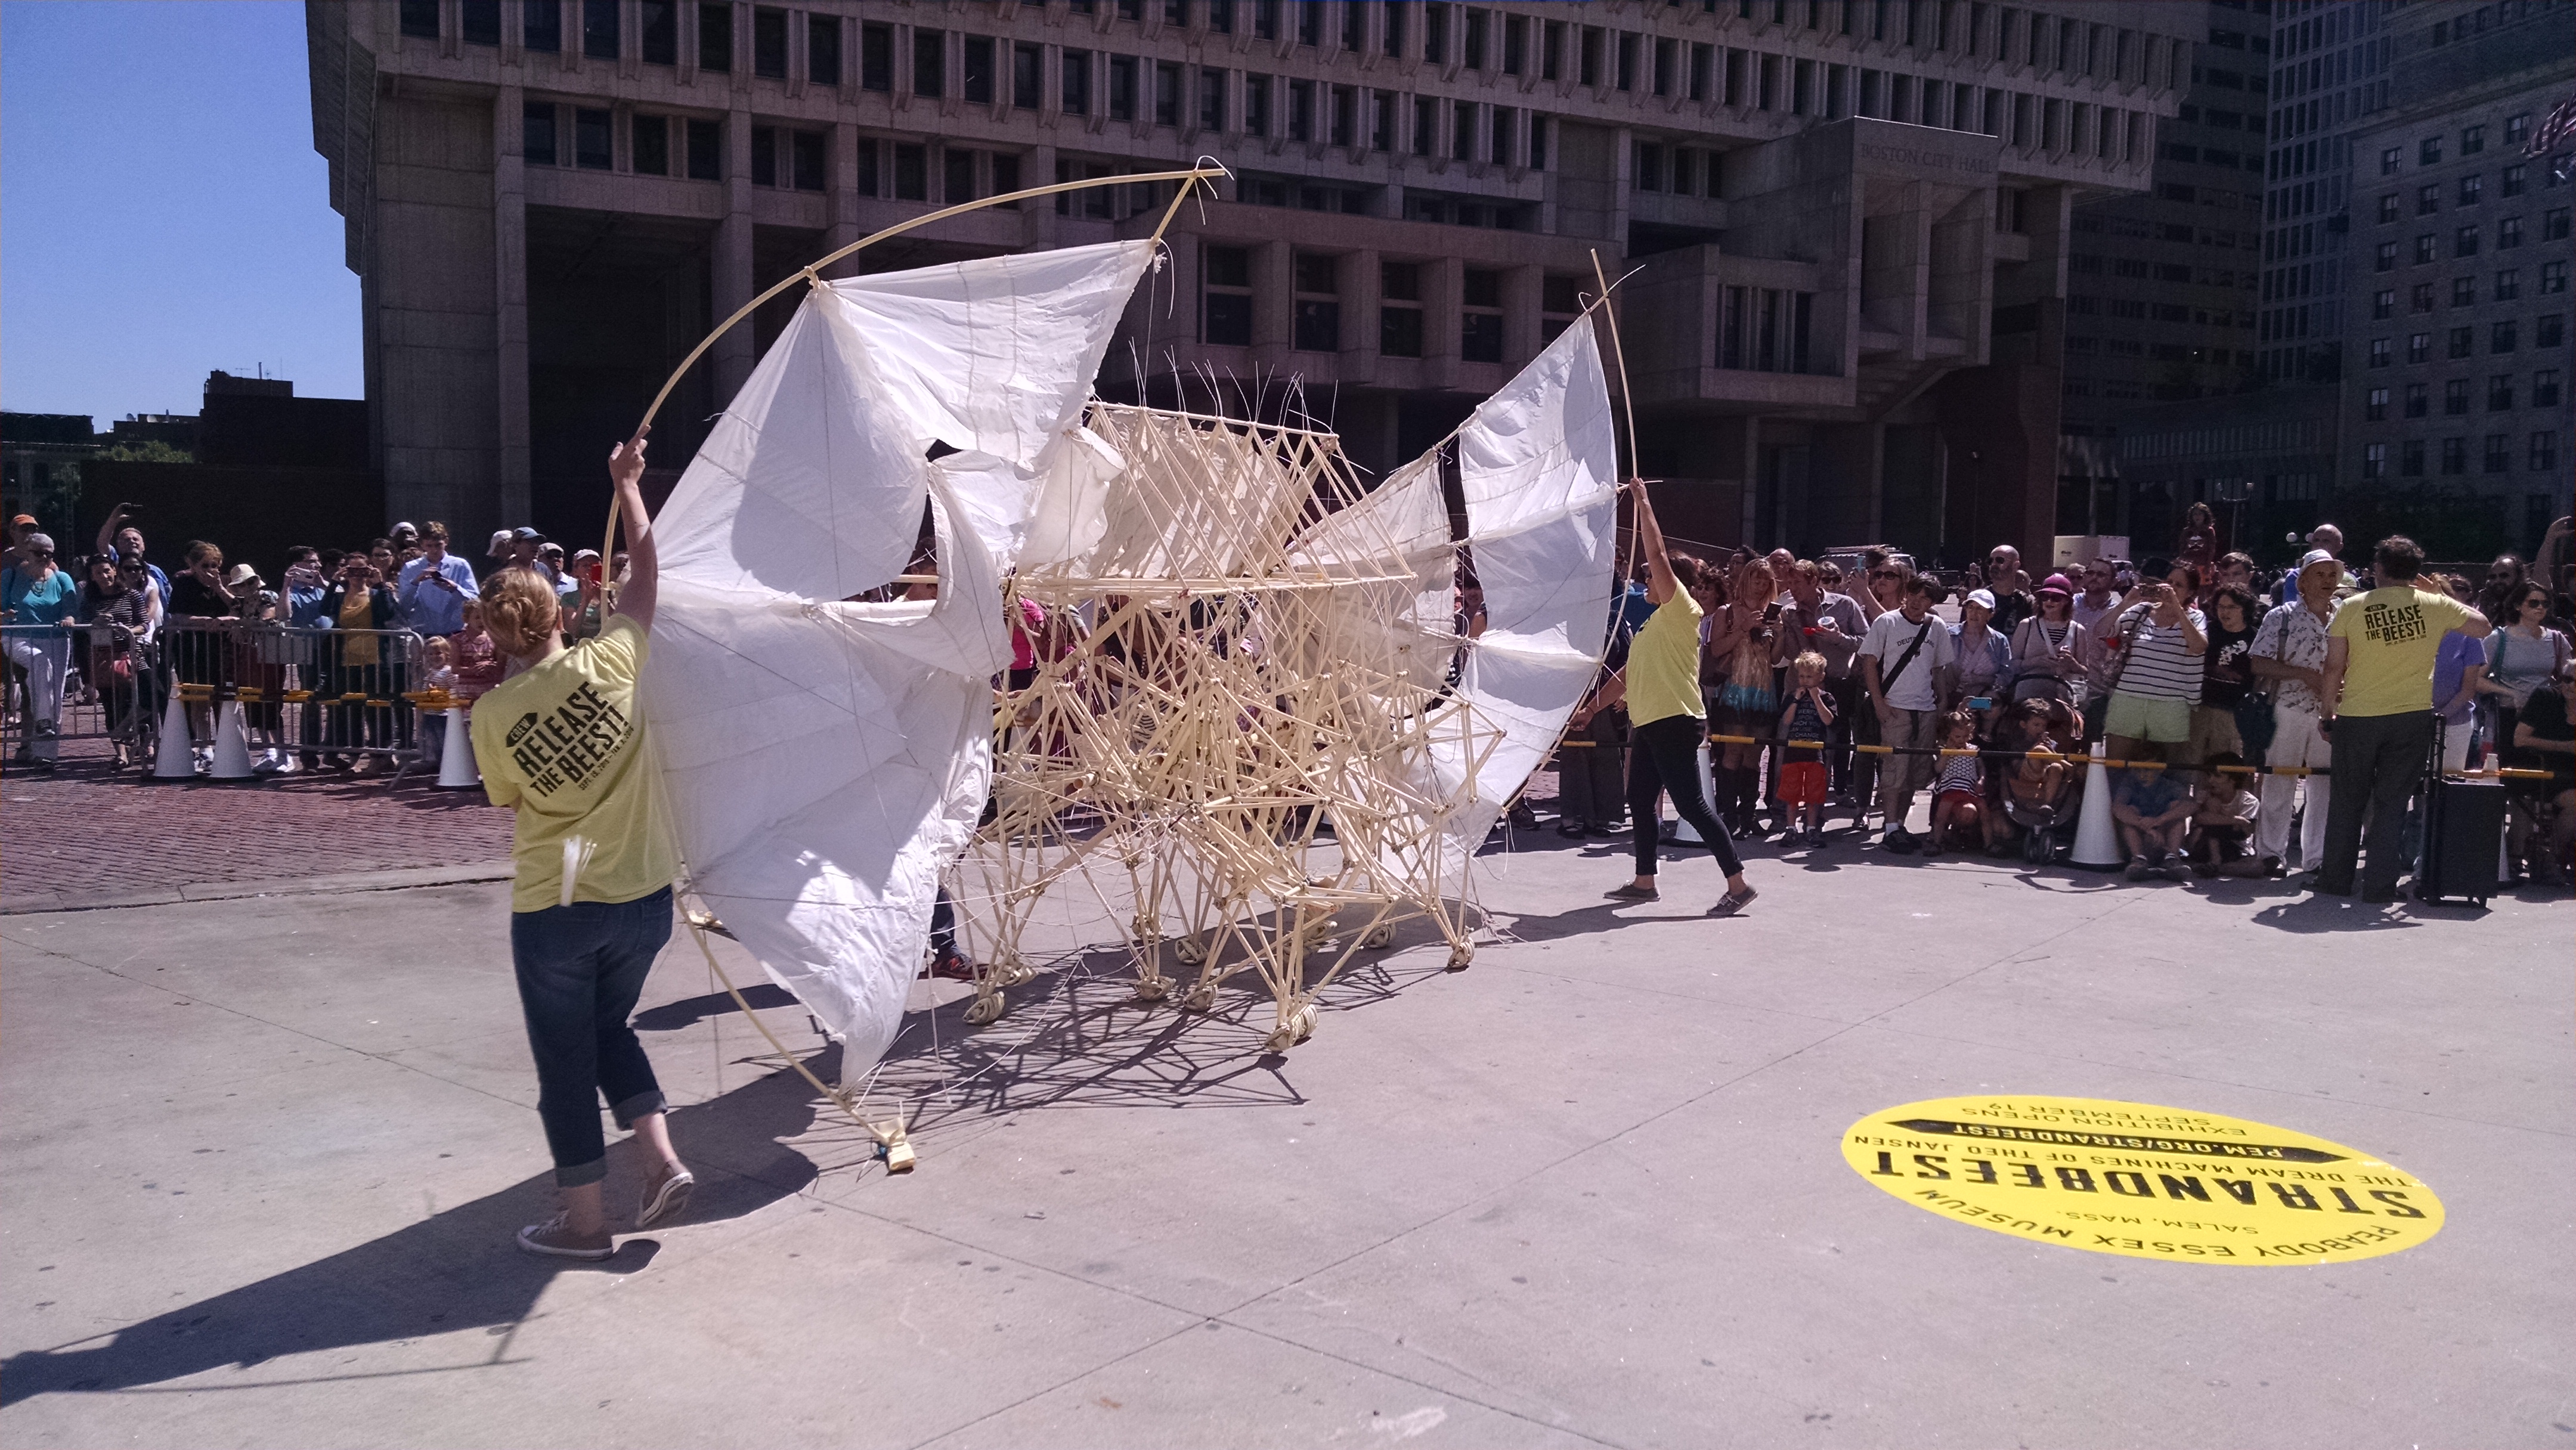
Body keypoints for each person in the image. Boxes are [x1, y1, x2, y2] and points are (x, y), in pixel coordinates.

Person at [470, 427, 692, 1260]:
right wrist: (626, 484)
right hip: (642, 896)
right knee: (610, 1031)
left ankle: (586, 1224)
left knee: (565, 1064)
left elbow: (511, 797)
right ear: (562, 614)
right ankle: (661, 1159)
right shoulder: (615, 661)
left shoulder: (492, 716)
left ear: (497, 635)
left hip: (557, 904)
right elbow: (647, 571)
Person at [1588, 479, 1757, 916]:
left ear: (1672, 583)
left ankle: (1738, 884)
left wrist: (1643, 504)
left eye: (1649, 575)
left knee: (1692, 805)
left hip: (1675, 720)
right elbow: (1626, 675)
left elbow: (1659, 554)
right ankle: (1645, 881)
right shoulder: (1654, 624)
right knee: (1641, 801)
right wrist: (1593, 708)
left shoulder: (1683, 609)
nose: (1645, 577)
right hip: (1652, 721)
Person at [2313, 535, 2492, 901]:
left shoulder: (2352, 606)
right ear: (2416, 572)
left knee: (2347, 801)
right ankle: (2379, 887)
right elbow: (2484, 626)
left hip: (2359, 715)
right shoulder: (2434, 605)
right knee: (2392, 804)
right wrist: (2438, 597)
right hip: (2410, 717)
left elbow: (2333, 667)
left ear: (2378, 569)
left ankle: (2335, 881)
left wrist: (2327, 711)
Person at [2249, 549, 2344, 877]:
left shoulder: (2345, 615)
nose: (2328, 581)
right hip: (2287, 707)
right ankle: (2271, 853)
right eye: (2319, 574)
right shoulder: (2281, 616)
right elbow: (2257, 662)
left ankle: (2316, 857)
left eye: (2332, 574)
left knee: (2324, 786)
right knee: (2278, 783)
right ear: (2302, 582)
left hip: (2330, 712)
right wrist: (2304, 675)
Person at [1858, 573, 1956, 850]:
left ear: (1932, 602)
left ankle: (1900, 825)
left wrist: (1943, 702)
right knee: (1893, 769)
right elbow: (1869, 662)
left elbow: (1939, 668)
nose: (1917, 602)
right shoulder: (1887, 622)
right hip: (1895, 706)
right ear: (1906, 594)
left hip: (1925, 707)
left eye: (1924, 598)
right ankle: (1889, 828)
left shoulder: (1936, 627)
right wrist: (1879, 703)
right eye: (1914, 595)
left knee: (1915, 771)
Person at [1778, 562, 1868, 812]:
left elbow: (1866, 640)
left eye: (1798, 583)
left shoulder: (1843, 605)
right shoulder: (1789, 612)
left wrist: (1838, 639)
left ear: (1813, 581)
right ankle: (1785, 804)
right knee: (1793, 743)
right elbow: (1788, 655)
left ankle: (1835, 793)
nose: (1792, 588)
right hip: (1800, 686)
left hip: (1837, 684)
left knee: (1836, 743)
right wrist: (1783, 631)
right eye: (1790, 583)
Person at [2098, 563, 2207, 769]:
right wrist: (2125, 604)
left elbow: (2198, 646)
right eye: (2169, 582)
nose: (2172, 588)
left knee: (2169, 768)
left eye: (2179, 586)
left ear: (2191, 592)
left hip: (2171, 703)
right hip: (2129, 698)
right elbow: (2101, 631)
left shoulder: (2195, 617)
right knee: (2115, 765)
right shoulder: (2142, 611)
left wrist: (2177, 607)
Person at [1704, 556, 1779, 837]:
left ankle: (1749, 814)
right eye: (1756, 578)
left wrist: (1780, 634)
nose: (1760, 585)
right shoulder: (1728, 611)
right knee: (1732, 751)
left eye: (1765, 580)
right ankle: (1728, 813)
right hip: (1735, 688)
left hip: (1762, 688)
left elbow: (1774, 657)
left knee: (1755, 753)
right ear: (1745, 579)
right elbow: (1717, 649)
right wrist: (1744, 628)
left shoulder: (1771, 611)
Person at [315, 550, 402, 776]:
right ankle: (354, 757)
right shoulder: (339, 596)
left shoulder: (375, 594)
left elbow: (388, 614)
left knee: (377, 710)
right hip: (347, 661)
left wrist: (381, 584)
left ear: (369, 571)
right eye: (352, 571)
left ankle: (381, 756)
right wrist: (333, 583)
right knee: (352, 710)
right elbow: (323, 610)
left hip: (375, 660)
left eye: (361, 570)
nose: (357, 576)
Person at [2, 534, 80, 770]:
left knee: (53, 692)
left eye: (49, 553)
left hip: (55, 639)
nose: (45, 557)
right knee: (39, 662)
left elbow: (71, 609)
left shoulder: (62, 578)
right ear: (26, 551)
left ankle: (45, 754)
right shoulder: (10, 576)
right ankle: (43, 721)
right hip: (18, 637)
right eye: (39, 552)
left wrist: (69, 618)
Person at [2476, 581, 2569, 765]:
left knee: (2543, 766)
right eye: (2533, 603)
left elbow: (2569, 676)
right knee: (2509, 765)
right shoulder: (2499, 639)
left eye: (2545, 603)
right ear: (2518, 606)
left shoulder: (2557, 639)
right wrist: (2511, 693)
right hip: (2508, 713)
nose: (2540, 608)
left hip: (2544, 716)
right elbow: (2476, 679)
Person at [2510, 679, 2576, 885]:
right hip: (2539, 770)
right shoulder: (2545, 698)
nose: (2571, 685)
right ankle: (2554, 858)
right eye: (2568, 679)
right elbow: (2519, 740)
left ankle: (2557, 857)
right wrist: (2565, 747)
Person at [2191, 583, 2261, 763]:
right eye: (2221, 607)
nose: (2225, 612)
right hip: (2200, 708)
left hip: (2232, 714)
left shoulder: (2256, 638)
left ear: (2244, 609)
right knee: (2190, 767)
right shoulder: (2206, 630)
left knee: (2225, 773)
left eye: (2232, 607)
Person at [1773, 650, 1835, 847]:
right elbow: (1786, 721)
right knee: (1792, 794)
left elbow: (1829, 720)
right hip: (1793, 753)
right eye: (1802, 676)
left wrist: (1816, 699)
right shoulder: (1792, 697)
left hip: (1816, 754)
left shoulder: (1827, 698)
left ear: (1821, 677)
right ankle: (1791, 829)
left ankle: (1811, 828)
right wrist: (1796, 700)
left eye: (1810, 677)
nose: (1805, 681)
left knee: (1812, 794)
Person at [2428, 575, 2488, 774]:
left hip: (2455, 725)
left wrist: (2439, 718)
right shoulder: (2413, 633)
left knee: (2448, 782)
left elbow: (2468, 690)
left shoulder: (2468, 636)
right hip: (2413, 724)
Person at [2006, 574, 2089, 707]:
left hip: (2062, 698)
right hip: (2029, 695)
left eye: (2056, 598)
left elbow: (2085, 671)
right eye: (2045, 597)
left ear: (2067, 601)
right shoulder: (2027, 625)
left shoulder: (2078, 630)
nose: (2049, 602)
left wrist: (2072, 663)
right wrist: (2036, 661)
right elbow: (2012, 665)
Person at [397, 522, 480, 637]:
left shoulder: (460, 565)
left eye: (438, 545)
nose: (434, 550)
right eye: (429, 546)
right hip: (423, 635)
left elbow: (474, 600)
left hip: (456, 634)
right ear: (421, 544)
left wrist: (455, 589)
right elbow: (404, 606)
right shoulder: (411, 568)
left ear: (446, 541)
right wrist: (416, 583)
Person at [1923, 709, 1988, 857]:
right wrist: (1948, 752)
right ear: (1948, 734)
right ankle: (1937, 842)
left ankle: (1988, 844)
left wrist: (1981, 780)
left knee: (1983, 812)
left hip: (1969, 787)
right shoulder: (1943, 749)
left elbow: (1981, 768)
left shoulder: (1973, 749)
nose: (1961, 740)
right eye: (1957, 736)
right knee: (1940, 817)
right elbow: (1938, 769)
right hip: (1949, 789)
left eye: (1966, 736)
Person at [2113, 763, 2194, 881]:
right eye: (2137, 770)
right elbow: (2117, 807)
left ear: (2160, 769)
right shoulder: (2129, 785)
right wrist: (2147, 828)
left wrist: (2159, 821)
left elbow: (2190, 805)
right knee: (2130, 811)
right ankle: (2139, 860)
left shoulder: (2169, 785)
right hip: (2142, 839)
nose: (2142, 775)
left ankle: (2172, 860)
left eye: (2147, 770)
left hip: (2164, 841)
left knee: (2176, 809)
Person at [2187, 753, 2264, 877]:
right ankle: (2215, 864)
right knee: (2203, 829)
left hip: (2235, 848)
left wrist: (2219, 820)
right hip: (2203, 847)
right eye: (2209, 776)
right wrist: (2235, 820)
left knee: (2256, 867)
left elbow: (2245, 831)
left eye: (2217, 777)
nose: (2211, 780)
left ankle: (2217, 868)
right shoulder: (2207, 796)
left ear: (2233, 780)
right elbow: (2201, 819)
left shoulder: (2248, 801)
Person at [1947, 588, 2012, 733]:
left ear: (1991, 614)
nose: (1974, 613)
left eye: (1980, 609)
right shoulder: (1950, 636)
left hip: (1986, 702)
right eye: (1971, 607)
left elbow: (2007, 674)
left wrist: (1982, 680)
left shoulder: (1999, 641)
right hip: (1955, 698)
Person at [1984, 545, 2035, 634]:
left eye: (2000, 560)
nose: (1993, 564)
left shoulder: (2026, 602)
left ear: (2016, 565)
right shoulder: (1980, 599)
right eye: (1990, 561)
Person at [2178, 501, 2220, 576]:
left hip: (2203, 562)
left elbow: (2211, 549)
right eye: (2195, 514)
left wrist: (2208, 565)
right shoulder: (2186, 531)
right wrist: (2182, 561)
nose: (2198, 517)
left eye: (2200, 514)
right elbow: (2182, 547)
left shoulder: (2209, 530)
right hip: (2189, 563)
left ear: (2205, 516)